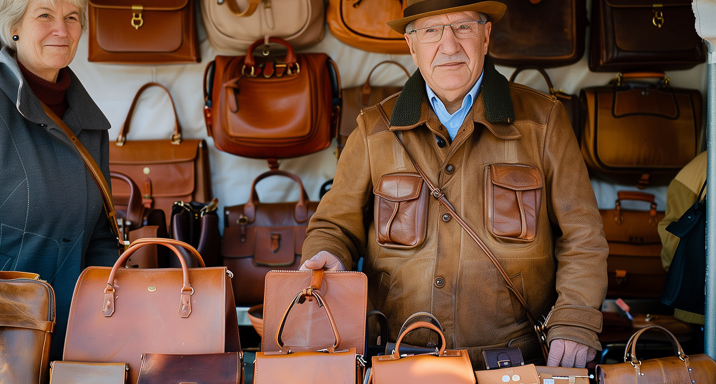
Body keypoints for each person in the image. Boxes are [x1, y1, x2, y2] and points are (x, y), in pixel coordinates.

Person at [300, 0, 608, 369]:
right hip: (401, 356)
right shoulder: (373, 129)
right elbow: (334, 226)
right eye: (431, 30)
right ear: (412, 46)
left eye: (463, 27)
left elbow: (583, 235)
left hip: (513, 359)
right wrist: (329, 254)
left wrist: (575, 318)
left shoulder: (543, 122)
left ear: (486, 36)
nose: (449, 46)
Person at [0, 0, 119, 360]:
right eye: (44, 15)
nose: (62, 29)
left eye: (72, 17)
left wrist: (105, 320)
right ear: (13, 27)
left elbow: (101, 241)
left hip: (77, 346)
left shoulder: (93, 127)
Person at [658, 150, 707, 353]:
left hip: (701, 307)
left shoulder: (697, 169)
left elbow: (674, 242)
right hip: (703, 308)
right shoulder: (702, 168)